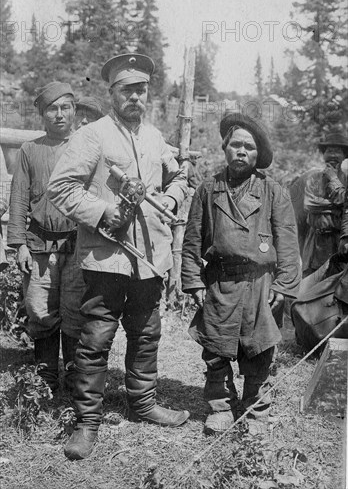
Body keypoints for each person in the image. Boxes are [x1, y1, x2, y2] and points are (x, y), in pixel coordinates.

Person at [47, 53, 190, 461]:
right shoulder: (93, 135)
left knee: (146, 333)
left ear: (149, 93)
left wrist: (171, 195)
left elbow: (179, 174)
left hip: (148, 258)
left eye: (141, 89)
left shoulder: (156, 137)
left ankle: (142, 403)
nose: (135, 96)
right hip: (107, 257)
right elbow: (62, 187)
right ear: (111, 92)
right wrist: (101, 211)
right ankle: (87, 421)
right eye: (126, 89)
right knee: (95, 338)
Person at [181, 113, 301, 435]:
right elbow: (193, 238)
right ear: (225, 148)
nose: (241, 151)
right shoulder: (208, 189)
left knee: (259, 347)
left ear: (257, 154)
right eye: (235, 144)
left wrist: (285, 283)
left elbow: (288, 241)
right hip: (220, 281)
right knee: (216, 347)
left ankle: (254, 407)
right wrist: (193, 279)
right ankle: (220, 404)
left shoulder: (273, 191)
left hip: (261, 284)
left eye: (248, 146)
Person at [7, 82, 85, 392]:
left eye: (65, 107)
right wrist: (19, 244)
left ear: (75, 111)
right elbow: (18, 199)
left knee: (75, 309)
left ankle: (76, 377)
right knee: (40, 310)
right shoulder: (30, 150)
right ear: (42, 115)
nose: (59, 114)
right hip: (39, 245)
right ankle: (46, 379)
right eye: (52, 108)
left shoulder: (85, 147)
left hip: (79, 244)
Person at [290, 132, 348, 277]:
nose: (333, 155)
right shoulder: (313, 178)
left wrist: (333, 179)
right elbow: (310, 204)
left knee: (337, 285)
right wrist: (338, 206)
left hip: (338, 241)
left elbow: (344, 201)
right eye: (329, 151)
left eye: (337, 151)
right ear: (323, 155)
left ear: (345, 155)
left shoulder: (346, 179)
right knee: (310, 284)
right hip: (316, 243)